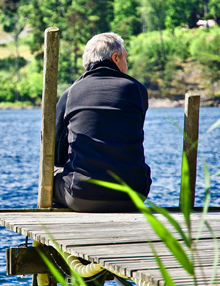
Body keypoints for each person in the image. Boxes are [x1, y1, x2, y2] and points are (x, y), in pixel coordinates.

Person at [53, 32, 151, 212]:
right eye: (125, 59)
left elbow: (55, 151)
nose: (126, 65)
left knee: (52, 172)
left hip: (82, 196)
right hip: (134, 194)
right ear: (115, 58)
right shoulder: (137, 90)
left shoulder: (70, 93)